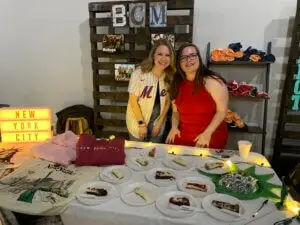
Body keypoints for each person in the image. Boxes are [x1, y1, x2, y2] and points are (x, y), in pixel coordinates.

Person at [166, 43, 228, 149]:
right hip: (183, 136)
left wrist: (207, 133)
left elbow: (222, 111)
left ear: (199, 58)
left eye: (192, 55)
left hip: (209, 135)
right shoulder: (176, 83)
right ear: (178, 63)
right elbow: (175, 111)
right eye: (183, 57)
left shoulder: (213, 82)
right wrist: (174, 127)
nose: (188, 60)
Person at [126, 39, 176, 143]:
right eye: (160, 54)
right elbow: (133, 100)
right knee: (137, 156)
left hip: (157, 126)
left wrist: (159, 123)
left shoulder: (170, 76)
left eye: (167, 55)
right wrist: (141, 124)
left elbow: (167, 102)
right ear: (153, 55)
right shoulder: (139, 73)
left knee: (153, 155)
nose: (163, 58)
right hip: (137, 124)